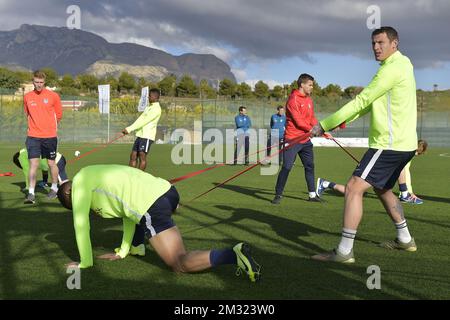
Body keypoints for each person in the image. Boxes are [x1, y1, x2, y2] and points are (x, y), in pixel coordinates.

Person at [310, 26, 418, 263]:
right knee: (383, 189)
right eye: (373, 43)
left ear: (394, 43)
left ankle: (344, 251)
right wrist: (343, 121)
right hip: (404, 145)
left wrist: (324, 124)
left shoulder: (392, 69)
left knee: (353, 188)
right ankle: (405, 238)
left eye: (381, 42)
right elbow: (371, 105)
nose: (376, 48)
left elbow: (363, 99)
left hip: (389, 145)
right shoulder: (402, 65)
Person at [57, 165, 261, 282]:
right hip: (168, 191)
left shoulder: (79, 188)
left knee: (179, 263)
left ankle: (232, 255)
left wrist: (85, 262)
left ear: (71, 197)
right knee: (142, 219)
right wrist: (122, 251)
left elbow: (81, 225)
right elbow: (129, 215)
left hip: (151, 205)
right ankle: (138, 247)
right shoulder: (91, 174)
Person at [316, 140, 428, 205]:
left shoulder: (402, 150)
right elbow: (403, 172)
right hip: (375, 170)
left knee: (354, 190)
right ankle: (325, 184)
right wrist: (406, 192)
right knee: (353, 191)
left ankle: (325, 184)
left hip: (377, 170)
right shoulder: (407, 155)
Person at [271, 73, 321, 204]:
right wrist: (312, 130)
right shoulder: (293, 100)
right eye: (310, 85)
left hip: (305, 141)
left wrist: (321, 129)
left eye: (312, 85)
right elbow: (299, 122)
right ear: (302, 84)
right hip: (292, 140)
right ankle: (278, 194)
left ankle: (312, 195)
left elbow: (311, 118)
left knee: (310, 166)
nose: (311, 88)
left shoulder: (309, 99)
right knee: (287, 167)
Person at [23, 70, 63, 204]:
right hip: (33, 136)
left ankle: (54, 188)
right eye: (36, 82)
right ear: (32, 81)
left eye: (41, 82)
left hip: (50, 137)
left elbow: (59, 115)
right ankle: (31, 193)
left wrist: (48, 128)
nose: (39, 85)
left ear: (44, 82)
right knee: (33, 164)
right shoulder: (27, 96)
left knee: (51, 163)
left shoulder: (53, 96)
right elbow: (27, 114)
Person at [122, 88, 162, 171]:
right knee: (133, 155)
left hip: (147, 136)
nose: (148, 97)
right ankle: (130, 175)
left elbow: (144, 121)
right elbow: (140, 119)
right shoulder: (149, 107)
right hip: (140, 135)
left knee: (142, 156)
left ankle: (139, 177)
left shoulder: (156, 109)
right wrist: (129, 128)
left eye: (150, 96)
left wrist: (129, 129)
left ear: (155, 97)